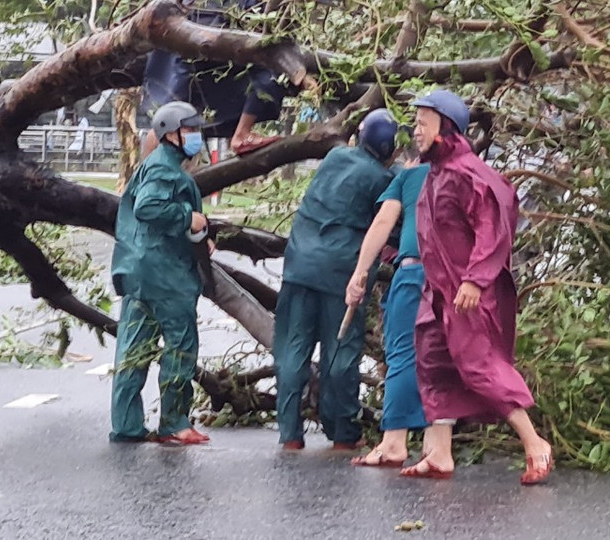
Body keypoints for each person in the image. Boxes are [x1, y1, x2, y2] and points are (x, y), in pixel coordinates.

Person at [400, 89, 552, 485]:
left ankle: (535, 443)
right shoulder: (435, 174)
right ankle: (439, 454)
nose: (415, 131)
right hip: (438, 293)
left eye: (423, 124)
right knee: (433, 364)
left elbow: (493, 227)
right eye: (415, 123)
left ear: (445, 128)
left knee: (479, 365)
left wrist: (475, 279)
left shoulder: (471, 174)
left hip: (467, 293)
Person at [274, 109, 399, 450]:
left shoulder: (334, 157)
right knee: (341, 351)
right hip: (342, 274)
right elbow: (392, 226)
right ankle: (342, 431)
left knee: (292, 348)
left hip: (299, 264)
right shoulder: (383, 180)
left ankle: (289, 433)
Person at [109, 101, 213, 446]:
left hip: (140, 271)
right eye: (190, 130)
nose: (197, 136)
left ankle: (126, 425)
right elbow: (149, 207)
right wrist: (189, 217)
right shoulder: (165, 170)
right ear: (171, 134)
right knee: (181, 347)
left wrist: (196, 240)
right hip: (166, 277)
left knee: (133, 351)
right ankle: (175, 422)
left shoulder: (150, 165)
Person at [343, 147, 430, 467]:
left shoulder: (409, 176)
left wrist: (360, 272)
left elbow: (382, 223)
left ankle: (394, 441)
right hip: (451, 276)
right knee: (438, 356)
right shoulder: (466, 174)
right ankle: (437, 449)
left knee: (402, 353)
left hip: (414, 270)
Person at [140, 0, 287, 157]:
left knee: (172, 119)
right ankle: (242, 133)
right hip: (205, 41)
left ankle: (153, 171)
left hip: (187, 54)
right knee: (273, 63)